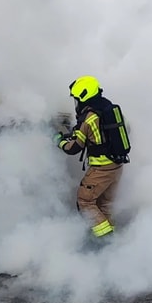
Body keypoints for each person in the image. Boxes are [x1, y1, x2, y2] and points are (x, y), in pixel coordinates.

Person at [54, 75, 125, 241]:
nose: (76, 103)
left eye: (77, 99)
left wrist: (59, 141)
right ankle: (112, 241)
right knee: (104, 205)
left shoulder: (89, 118)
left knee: (85, 202)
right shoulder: (110, 109)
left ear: (84, 97)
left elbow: (73, 148)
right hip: (117, 166)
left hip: (101, 169)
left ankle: (105, 240)